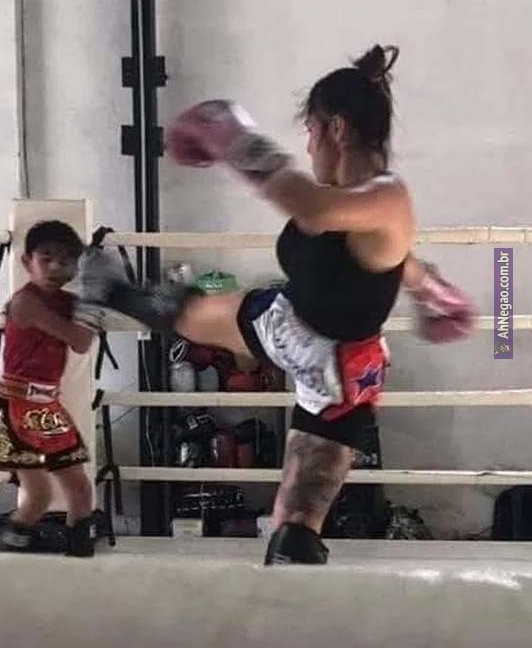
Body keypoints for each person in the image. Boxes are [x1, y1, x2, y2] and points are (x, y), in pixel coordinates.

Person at [75, 45, 475, 564]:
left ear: (335, 128)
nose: (308, 147)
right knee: (188, 313)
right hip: (288, 325)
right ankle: (112, 291)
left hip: (335, 368)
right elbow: (395, 256)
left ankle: (294, 567)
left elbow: (312, 208)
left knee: (296, 522)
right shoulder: (358, 203)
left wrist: (230, 134)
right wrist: (431, 290)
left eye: (310, 131)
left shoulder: (385, 195)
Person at [0, 221, 96, 557]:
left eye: (66, 260)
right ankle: (10, 545)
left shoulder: (70, 301)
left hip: (47, 406)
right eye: (47, 258)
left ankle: (79, 550)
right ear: (28, 262)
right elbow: (80, 340)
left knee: (80, 486)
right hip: (15, 405)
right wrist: (97, 301)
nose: (56, 267)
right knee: (39, 495)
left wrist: (100, 291)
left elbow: (84, 332)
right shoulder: (24, 303)